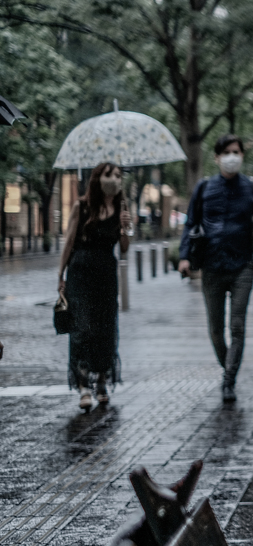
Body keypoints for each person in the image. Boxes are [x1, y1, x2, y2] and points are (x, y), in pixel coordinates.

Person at [178, 134, 253, 403]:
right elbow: (190, 224)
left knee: (237, 325)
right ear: (216, 157)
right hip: (211, 266)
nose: (231, 157)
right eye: (226, 152)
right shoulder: (203, 188)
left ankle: (228, 381)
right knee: (215, 329)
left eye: (236, 152)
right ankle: (230, 369)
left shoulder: (252, 187)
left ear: (242, 156)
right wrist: (184, 257)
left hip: (242, 266)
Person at [58, 163, 132, 410]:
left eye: (119, 176)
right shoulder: (82, 206)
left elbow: (124, 247)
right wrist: (61, 276)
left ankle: (101, 380)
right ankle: (83, 385)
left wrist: (125, 227)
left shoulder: (122, 208)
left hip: (106, 275)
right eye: (109, 174)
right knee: (82, 328)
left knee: (105, 327)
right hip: (80, 273)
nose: (115, 179)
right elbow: (69, 242)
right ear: (98, 178)